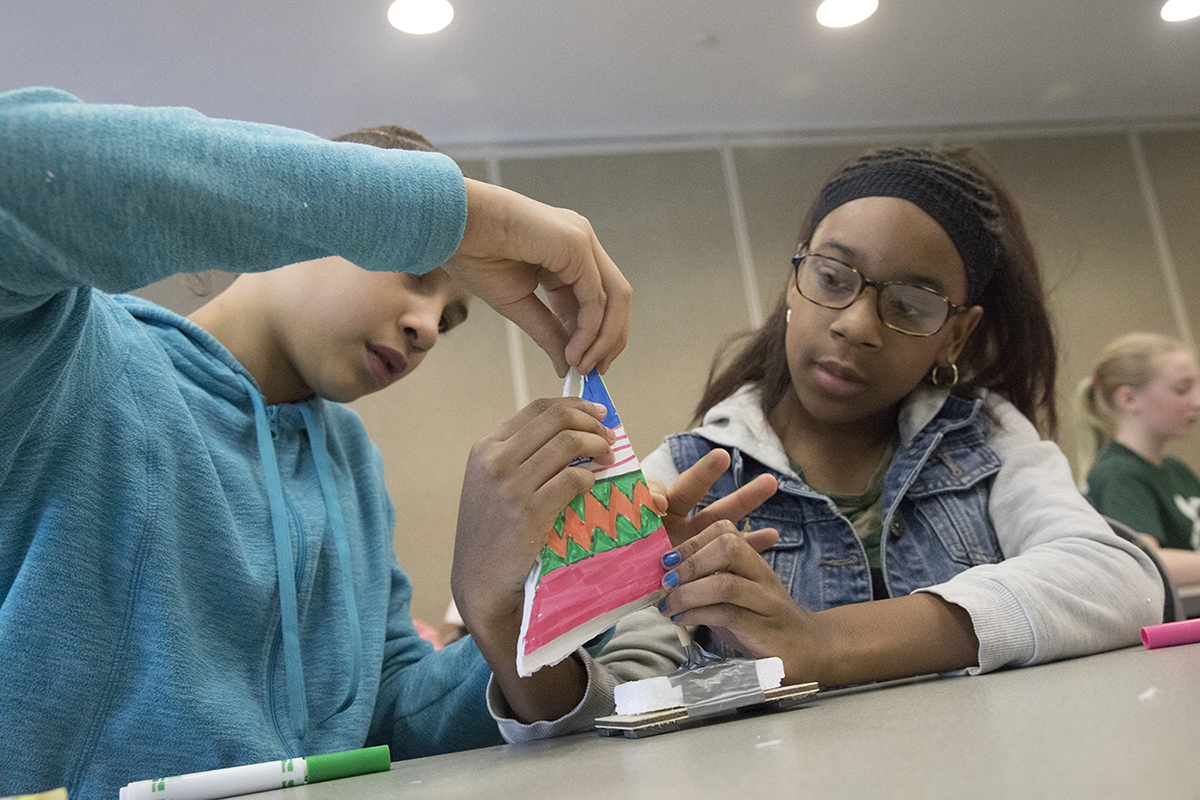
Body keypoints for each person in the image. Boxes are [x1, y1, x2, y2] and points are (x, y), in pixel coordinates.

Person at [0, 86, 638, 798]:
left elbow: (389, 716)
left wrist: (545, 596)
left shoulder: (350, 464)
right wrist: (461, 216)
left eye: (451, 319)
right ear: (317, 224)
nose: (428, 327)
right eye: (416, 271)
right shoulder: (71, 359)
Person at [629, 145, 1162, 689]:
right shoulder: (687, 472)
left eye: (910, 305)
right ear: (795, 278)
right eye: (833, 278)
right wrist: (565, 589)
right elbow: (615, 680)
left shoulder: (985, 439)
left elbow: (1121, 581)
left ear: (955, 336)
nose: (857, 325)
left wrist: (827, 644)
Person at [1074, 333, 1200, 586]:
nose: (1197, 401)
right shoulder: (1118, 473)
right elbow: (1146, 562)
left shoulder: (1177, 470)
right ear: (1129, 399)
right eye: (1181, 389)